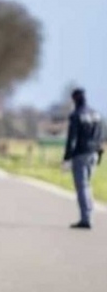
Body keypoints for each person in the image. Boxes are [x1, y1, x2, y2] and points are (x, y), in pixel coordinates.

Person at [63, 88, 104, 229]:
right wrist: (100, 152)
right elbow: (100, 135)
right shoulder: (96, 114)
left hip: (80, 154)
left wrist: (67, 157)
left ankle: (86, 218)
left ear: (75, 99)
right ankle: (89, 213)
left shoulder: (76, 115)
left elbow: (72, 138)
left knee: (82, 186)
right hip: (93, 153)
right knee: (87, 185)